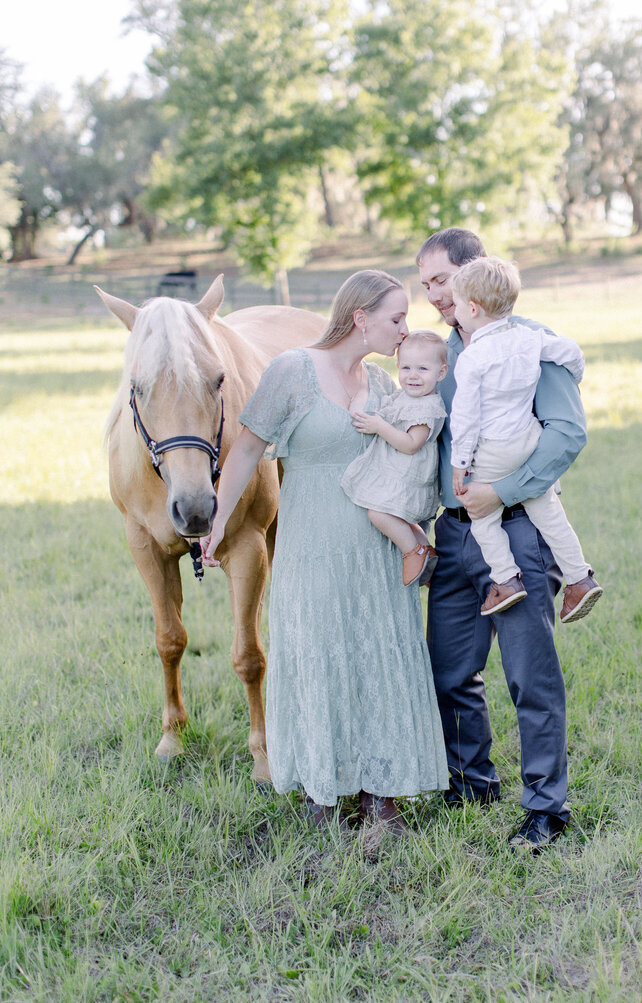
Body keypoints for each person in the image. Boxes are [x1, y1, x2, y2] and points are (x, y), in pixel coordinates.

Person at [201, 270, 449, 835]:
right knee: (318, 652)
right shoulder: (293, 370)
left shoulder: (387, 384)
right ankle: (324, 790)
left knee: (376, 654)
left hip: (374, 546)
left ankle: (381, 794)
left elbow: (416, 448)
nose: (405, 329)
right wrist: (216, 521)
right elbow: (245, 451)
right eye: (395, 318)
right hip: (311, 540)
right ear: (360, 318)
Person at [417, 227, 589, 854]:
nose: (433, 295)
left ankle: (547, 808)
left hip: (515, 529)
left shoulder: (531, 343)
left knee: (529, 676)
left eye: (441, 281)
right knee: (450, 672)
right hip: (454, 533)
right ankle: (471, 782)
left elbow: (567, 434)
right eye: (427, 284)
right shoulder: (437, 354)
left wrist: (504, 489)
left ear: (473, 274)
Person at [449, 255, 603, 621]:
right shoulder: (530, 338)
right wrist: (576, 377)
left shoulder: (472, 357)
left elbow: (466, 418)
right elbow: (571, 353)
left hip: (493, 449)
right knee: (549, 512)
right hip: (528, 439)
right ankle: (579, 578)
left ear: (472, 308)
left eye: (455, 304)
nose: (453, 311)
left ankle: (505, 580)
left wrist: (460, 463)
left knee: (480, 515)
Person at [341, 330, 448, 588]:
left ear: (441, 373)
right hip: (397, 472)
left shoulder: (428, 407)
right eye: (406, 367)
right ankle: (425, 548)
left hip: (409, 476)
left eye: (423, 369)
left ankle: (414, 551)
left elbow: (411, 444)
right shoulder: (407, 396)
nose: (413, 375)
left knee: (379, 513)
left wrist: (380, 427)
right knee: (400, 518)